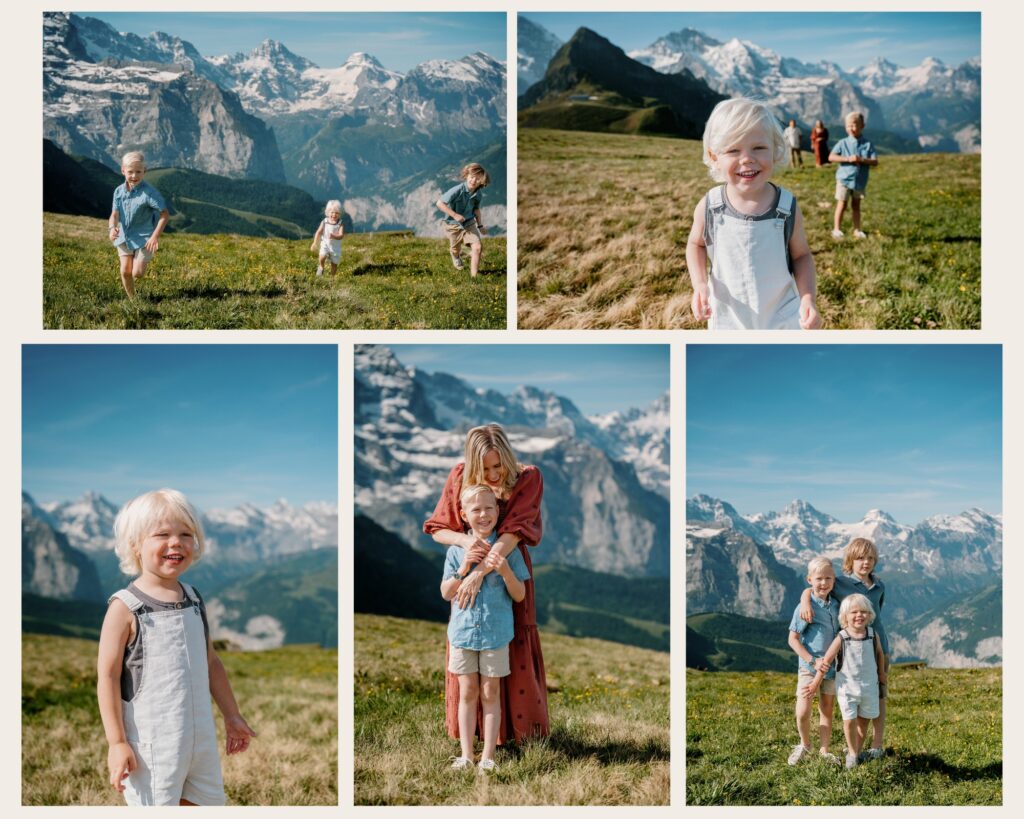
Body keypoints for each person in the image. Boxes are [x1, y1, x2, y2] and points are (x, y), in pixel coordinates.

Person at [97, 489, 256, 805]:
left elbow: (210, 662)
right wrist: (117, 742)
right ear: (135, 546)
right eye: (162, 535)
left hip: (201, 741)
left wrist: (232, 715)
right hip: (155, 747)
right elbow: (108, 677)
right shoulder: (125, 607)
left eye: (186, 534)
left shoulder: (194, 598)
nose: (176, 542)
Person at [423, 423, 549, 745]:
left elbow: (514, 532)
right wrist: (465, 545)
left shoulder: (528, 477)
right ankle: (473, 737)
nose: (493, 475)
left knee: (511, 637)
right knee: (471, 648)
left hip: (506, 566)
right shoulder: (460, 475)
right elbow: (438, 528)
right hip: (469, 568)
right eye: (485, 468)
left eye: (498, 466)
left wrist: (479, 572)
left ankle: (520, 734)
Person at [686, 97, 822, 330]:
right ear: (714, 157)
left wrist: (808, 297)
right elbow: (695, 244)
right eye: (733, 150)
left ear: (775, 150)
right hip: (729, 314)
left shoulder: (786, 206)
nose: (747, 158)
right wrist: (699, 284)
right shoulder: (710, 205)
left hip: (783, 314)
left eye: (759, 147)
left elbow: (801, 256)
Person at [441, 484, 530, 772]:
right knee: (467, 693)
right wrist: (463, 568)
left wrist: (504, 570)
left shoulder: (508, 549)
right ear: (464, 516)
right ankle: (466, 755)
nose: (483, 514)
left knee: (491, 694)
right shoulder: (457, 551)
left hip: (495, 634)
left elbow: (520, 595)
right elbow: (446, 592)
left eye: (489, 508)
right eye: (476, 510)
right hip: (463, 634)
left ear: (498, 511)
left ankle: (488, 757)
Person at [799, 537, 889, 759]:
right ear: (850, 560)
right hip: (849, 648)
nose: (865, 563)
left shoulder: (879, 585)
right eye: (860, 558)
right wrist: (804, 601)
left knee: (879, 694)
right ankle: (853, 747)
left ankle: (876, 745)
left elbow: (877, 612)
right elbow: (814, 587)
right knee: (853, 693)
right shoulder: (839, 582)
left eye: (870, 558)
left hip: (878, 643)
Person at [801, 594, 887, 769]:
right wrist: (815, 682)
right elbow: (826, 661)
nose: (859, 615)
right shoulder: (842, 637)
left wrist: (882, 673)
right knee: (849, 720)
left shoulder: (872, 635)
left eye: (863, 612)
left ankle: (857, 749)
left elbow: (879, 653)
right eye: (854, 612)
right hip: (847, 688)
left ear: (869, 615)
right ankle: (852, 754)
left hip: (869, 686)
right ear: (845, 617)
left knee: (864, 720)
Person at [786, 557, 841, 766]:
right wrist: (812, 660)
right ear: (810, 579)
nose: (824, 583)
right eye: (819, 578)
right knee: (803, 709)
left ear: (834, 580)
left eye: (828, 578)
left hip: (833, 667)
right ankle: (805, 743)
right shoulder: (805, 607)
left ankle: (824, 749)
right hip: (809, 667)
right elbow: (792, 639)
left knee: (827, 709)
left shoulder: (836, 605)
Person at [108, 151, 170, 298]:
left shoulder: (149, 193)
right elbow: (114, 214)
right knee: (125, 271)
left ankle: (140, 263)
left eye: (138, 172)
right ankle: (133, 300)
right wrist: (112, 228)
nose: (134, 176)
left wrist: (154, 237)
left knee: (137, 273)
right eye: (130, 172)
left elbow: (165, 214)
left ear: (144, 171)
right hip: (124, 236)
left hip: (145, 238)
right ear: (123, 170)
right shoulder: (118, 192)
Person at [829, 111, 878, 239]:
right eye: (848, 125)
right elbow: (831, 157)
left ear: (862, 126)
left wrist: (861, 160)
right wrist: (847, 159)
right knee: (842, 203)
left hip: (859, 181)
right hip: (844, 180)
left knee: (856, 205)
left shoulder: (867, 144)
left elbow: (875, 161)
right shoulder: (842, 143)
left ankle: (857, 230)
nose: (851, 128)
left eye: (854, 125)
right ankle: (836, 229)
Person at [436, 163, 490, 277]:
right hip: (452, 224)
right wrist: (455, 215)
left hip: (469, 223)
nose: (474, 180)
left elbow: (476, 210)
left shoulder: (478, 194)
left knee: (477, 247)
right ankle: (455, 256)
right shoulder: (457, 190)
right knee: (456, 249)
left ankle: (474, 277)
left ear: (482, 180)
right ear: (467, 176)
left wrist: (480, 226)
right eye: (472, 177)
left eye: (478, 178)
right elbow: (439, 203)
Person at [311, 200, 344, 276]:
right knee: (322, 256)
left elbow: (341, 235)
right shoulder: (325, 221)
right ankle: (321, 267)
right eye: (332, 212)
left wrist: (334, 236)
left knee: (334, 264)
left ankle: (332, 278)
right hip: (325, 243)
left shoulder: (340, 223)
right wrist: (315, 242)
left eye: (336, 213)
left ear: (339, 214)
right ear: (328, 212)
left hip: (335, 247)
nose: (334, 215)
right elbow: (319, 232)